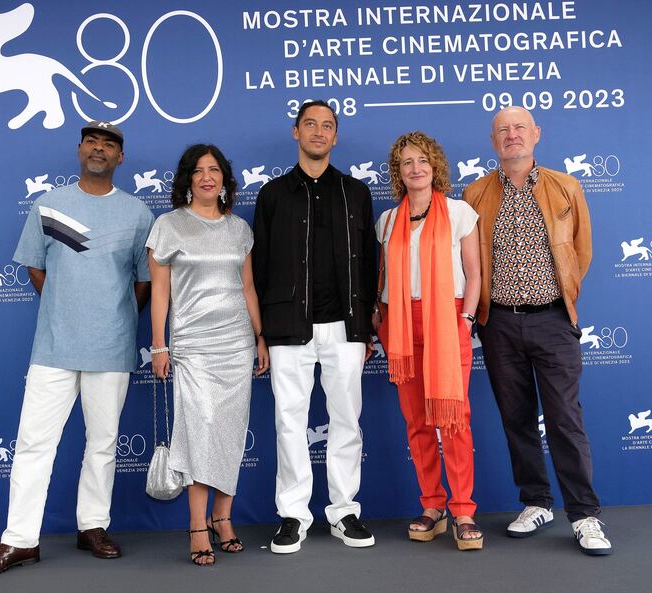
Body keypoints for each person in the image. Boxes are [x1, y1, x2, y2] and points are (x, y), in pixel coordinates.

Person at [0, 121, 154, 577]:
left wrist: (114, 318)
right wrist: (65, 309)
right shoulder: (48, 205)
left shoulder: (137, 213)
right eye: (92, 142)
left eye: (109, 144)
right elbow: (36, 269)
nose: (99, 149)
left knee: (103, 444)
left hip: (110, 348)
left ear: (120, 158)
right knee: (33, 444)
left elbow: (143, 281)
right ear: (79, 150)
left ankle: (92, 526)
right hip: (53, 346)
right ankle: (19, 540)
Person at [463, 106, 611, 555]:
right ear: (493, 141)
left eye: (519, 128)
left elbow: (581, 251)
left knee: (565, 418)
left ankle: (584, 514)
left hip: (551, 319)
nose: (512, 136)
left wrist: (558, 298)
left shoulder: (566, 186)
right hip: (499, 322)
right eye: (503, 130)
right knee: (517, 417)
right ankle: (536, 502)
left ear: (536, 135)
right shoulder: (475, 194)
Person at [253, 100, 377, 554]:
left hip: (346, 327)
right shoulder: (272, 195)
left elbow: (371, 266)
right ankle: (293, 515)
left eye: (328, 126)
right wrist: (261, 332)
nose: (319, 132)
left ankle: (345, 511)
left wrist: (366, 327)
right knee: (290, 422)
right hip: (288, 326)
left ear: (335, 136)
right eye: (311, 124)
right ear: (296, 132)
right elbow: (260, 267)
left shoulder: (356, 193)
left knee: (347, 421)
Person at [146, 144, 269, 566]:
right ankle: (197, 525)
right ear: (187, 179)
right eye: (198, 171)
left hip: (235, 344)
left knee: (231, 433)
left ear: (224, 179)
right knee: (200, 431)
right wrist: (159, 345)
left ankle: (223, 517)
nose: (206, 177)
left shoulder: (239, 230)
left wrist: (259, 338)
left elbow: (248, 288)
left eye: (214, 170)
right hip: (193, 346)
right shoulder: (168, 225)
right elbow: (159, 291)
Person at [375, 131, 482, 550]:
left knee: (454, 420)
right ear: (398, 172)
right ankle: (432, 505)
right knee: (417, 422)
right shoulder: (386, 221)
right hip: (401, 327)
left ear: (434, 166)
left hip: (448, 321)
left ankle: (463, 509)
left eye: (422, 160)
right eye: (406, 162)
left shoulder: (459, 213)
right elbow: (381, 283)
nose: (415, 168)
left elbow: (474, 275)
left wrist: (466, 320)